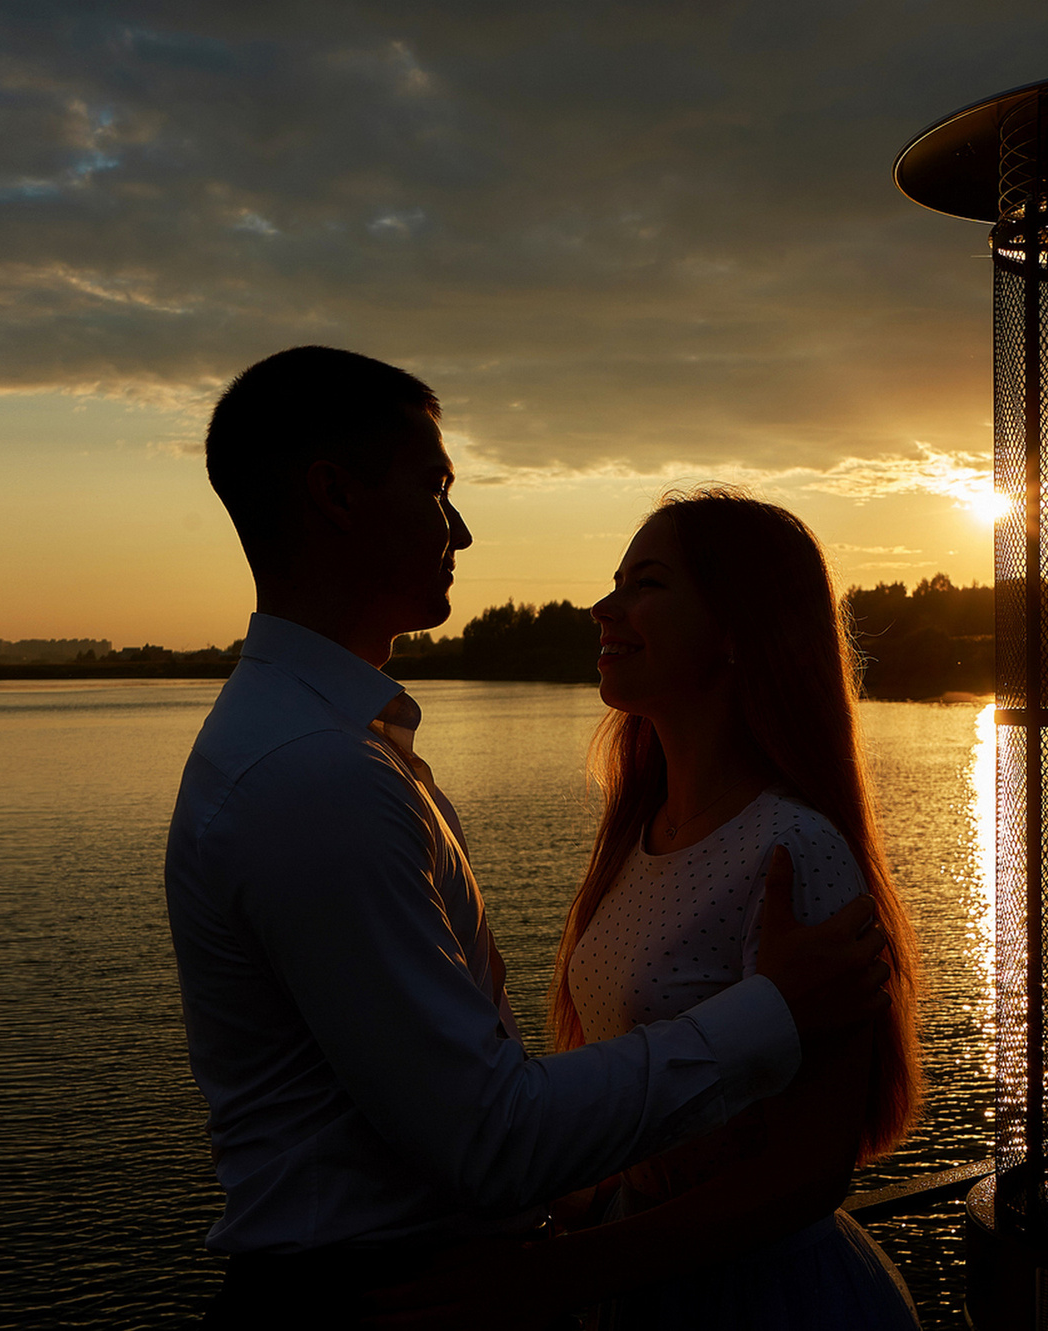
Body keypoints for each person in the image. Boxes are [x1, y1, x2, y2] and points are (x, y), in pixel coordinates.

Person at [164, 347, 893, 1330]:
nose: (460, 527)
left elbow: (806, 1157)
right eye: (435, 487)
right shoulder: (315, 773)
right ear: (335, 496)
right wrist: (772, 1012)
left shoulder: (341, 751)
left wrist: (569, 1243)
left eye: (646, 584)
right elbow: (488, 1134)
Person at [375, 487, 925, 1329]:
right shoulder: (642, 829)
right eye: (616, 582)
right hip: (638, 1273)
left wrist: (554, 1275)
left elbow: (809, 1172)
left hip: (757, 1301)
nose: (604, 609)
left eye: (648, 584)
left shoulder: (794, 848)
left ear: (738, 630)